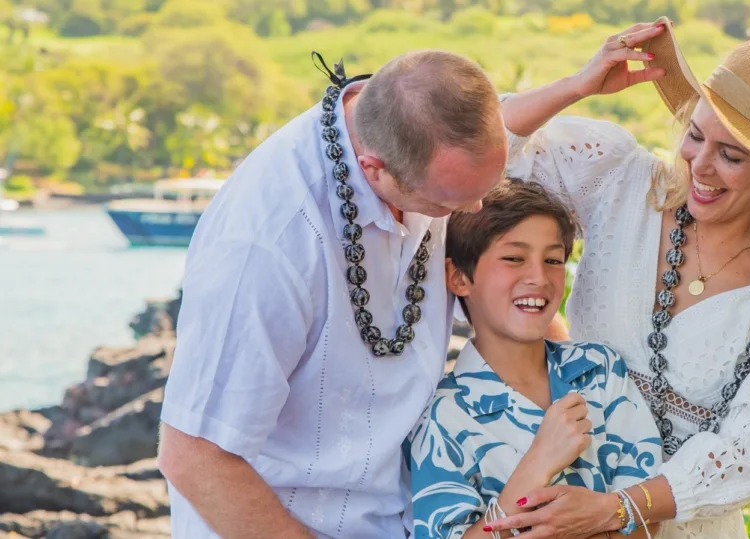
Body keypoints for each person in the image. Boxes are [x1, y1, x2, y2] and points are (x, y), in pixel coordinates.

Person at [486, 18, 750, 538]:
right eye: (694, 134)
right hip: (553, 488)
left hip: (682, 527)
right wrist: (577, 85)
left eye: (730, 156)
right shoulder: (621, 183)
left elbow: (739, 453)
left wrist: (615, 510)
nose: (700, 166)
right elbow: (484, 154)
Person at [155, 50, 510, 538]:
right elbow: (194, 455)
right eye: (448, 202)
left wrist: (577, 86)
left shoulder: (411, 127)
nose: (474, 206)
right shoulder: (267, 245)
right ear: (375, 168)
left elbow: (478, 137)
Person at [407, 180, 663, 538]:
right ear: (460, 277)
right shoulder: (439, 419)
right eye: (514, 258)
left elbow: (645, 515)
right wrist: (539, 462)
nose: (539, 277)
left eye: (553, 260)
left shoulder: (599, 369)